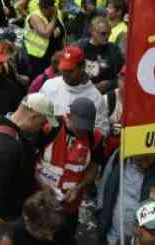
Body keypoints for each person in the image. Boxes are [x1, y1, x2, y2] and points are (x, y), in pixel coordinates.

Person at [0, 94, 58, 227]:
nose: (42, 127)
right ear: (34, 117)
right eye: (43, 123)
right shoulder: (7, 147)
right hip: (0, 221)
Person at [33, 97, 104, 244]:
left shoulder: (95, 138)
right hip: (41, 202)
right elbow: (30, 161)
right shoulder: (49, 127)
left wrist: (79, 188)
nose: (81, 132)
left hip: (69, 207)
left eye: (85, 128)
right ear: (68, 116)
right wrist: (42, 185)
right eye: (79, 127)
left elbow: (94, 168)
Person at [97, 152, 155, 245]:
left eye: (148, 158)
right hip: (111, 239)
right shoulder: (119, 156)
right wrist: (101, 218)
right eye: (140, 159)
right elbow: (103, 190)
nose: (144, 164)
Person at [38, 45, 109, 134]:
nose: (65, 74)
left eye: (70, 71)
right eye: (63, 69)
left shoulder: (95, 98)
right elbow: (36, 115)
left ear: (82, 67)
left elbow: (102, 132)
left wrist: (78, 130)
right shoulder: (50, 85)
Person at [75, 16, 125, 92]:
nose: (107, 37)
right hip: (81, 92)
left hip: (106, 94)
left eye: (109, 33)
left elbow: (123, 76)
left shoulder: (114, 50)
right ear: (92, 31)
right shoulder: (79, 47)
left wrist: (109, 84)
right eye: (103, 34)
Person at [22, 0, 62, 79]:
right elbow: (45, 33)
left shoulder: (56, 12)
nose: (48, 11)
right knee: (39, 77)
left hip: (53, 52)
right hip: (38, 54)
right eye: (45, 8)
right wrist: (54, 17)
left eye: (50, 8)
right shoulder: (35, 16)